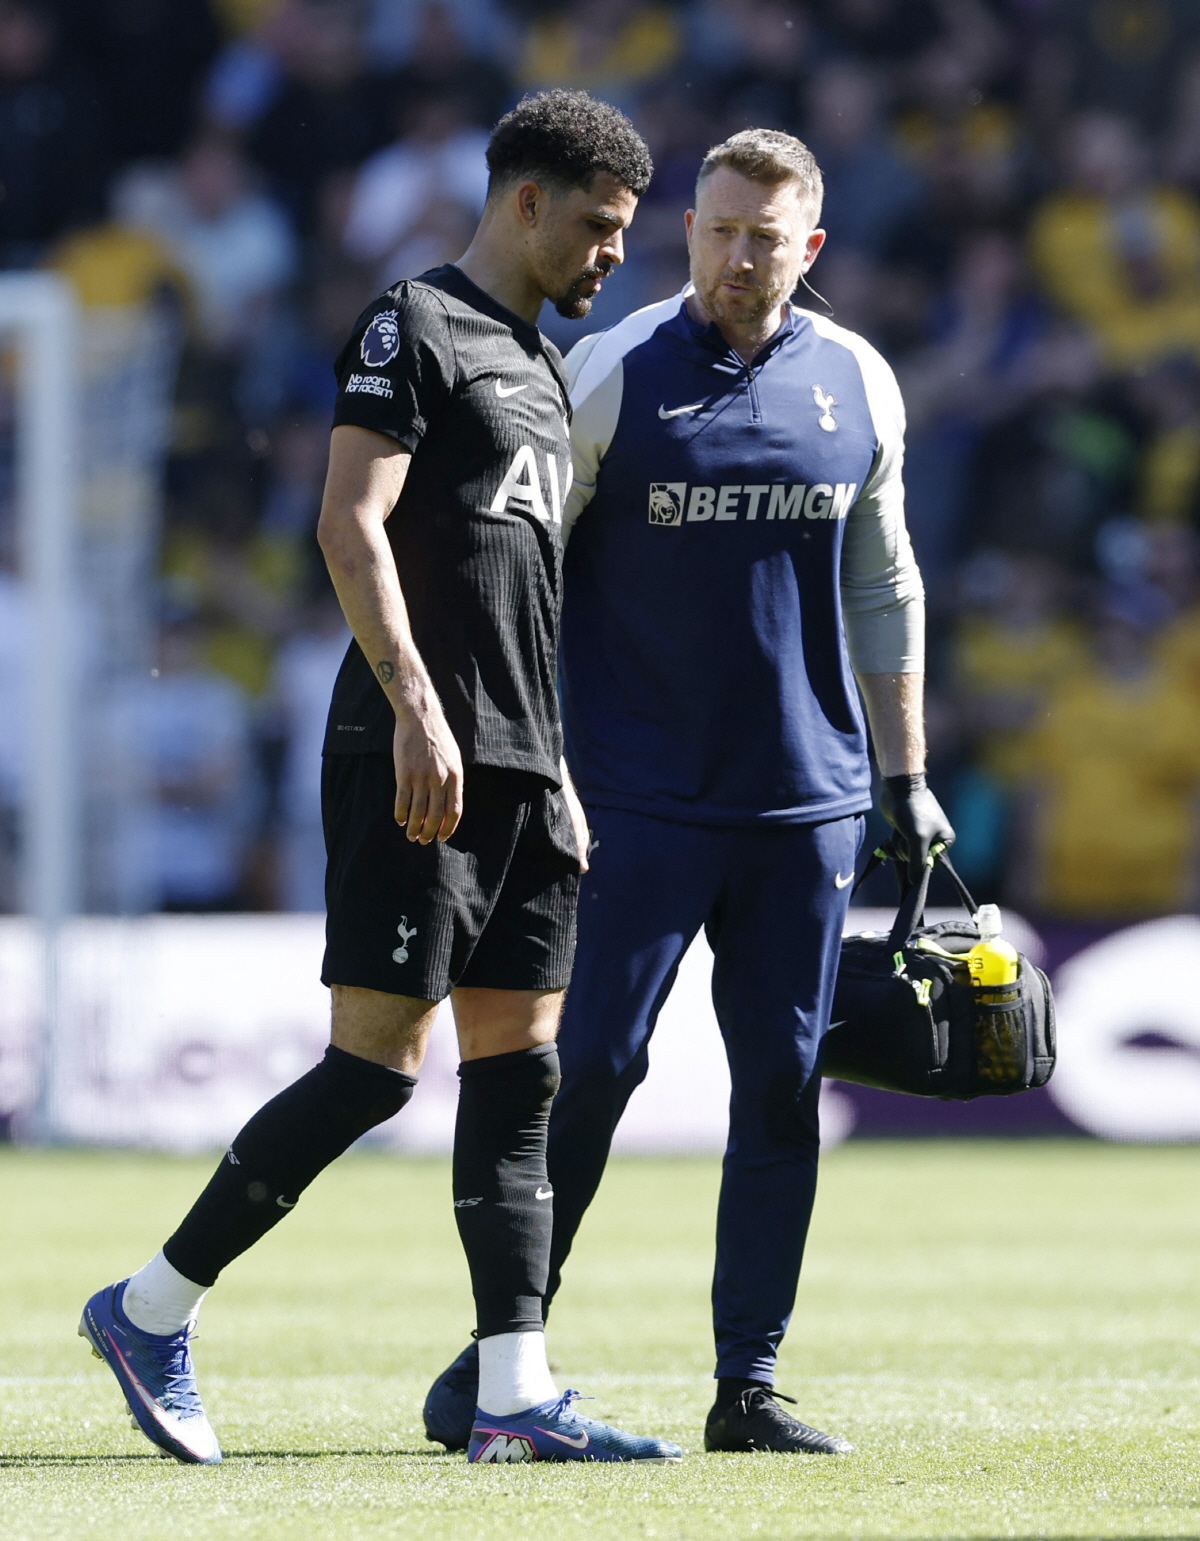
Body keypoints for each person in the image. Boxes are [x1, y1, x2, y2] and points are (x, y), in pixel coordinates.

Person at [80, 89, 682, 1469]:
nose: (612, 253)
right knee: (371, 1070)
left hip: (524, 768)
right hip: (416, 757)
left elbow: (526, 596)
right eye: (599, 225)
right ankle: (149, 1307)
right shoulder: (412, 324)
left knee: (521, 1074)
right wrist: (417, 708)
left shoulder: (543, 369)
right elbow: (348, 524)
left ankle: (515, 1392)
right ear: (526, 201)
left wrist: (555, 763)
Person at [424, 127, 954, 1456]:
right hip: (634, 800)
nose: (733, 256)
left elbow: (884, 579)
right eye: (716, 230)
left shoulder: (858, 381)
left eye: (762, 237)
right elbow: (521, 571)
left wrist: (906, 773)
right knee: (590, 1070)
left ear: (808, 248)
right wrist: (535, 756)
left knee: (781, 1089)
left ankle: (749, 1386)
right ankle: (498, 1363)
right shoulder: (609, 371)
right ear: (690, 232)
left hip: (809, 801)